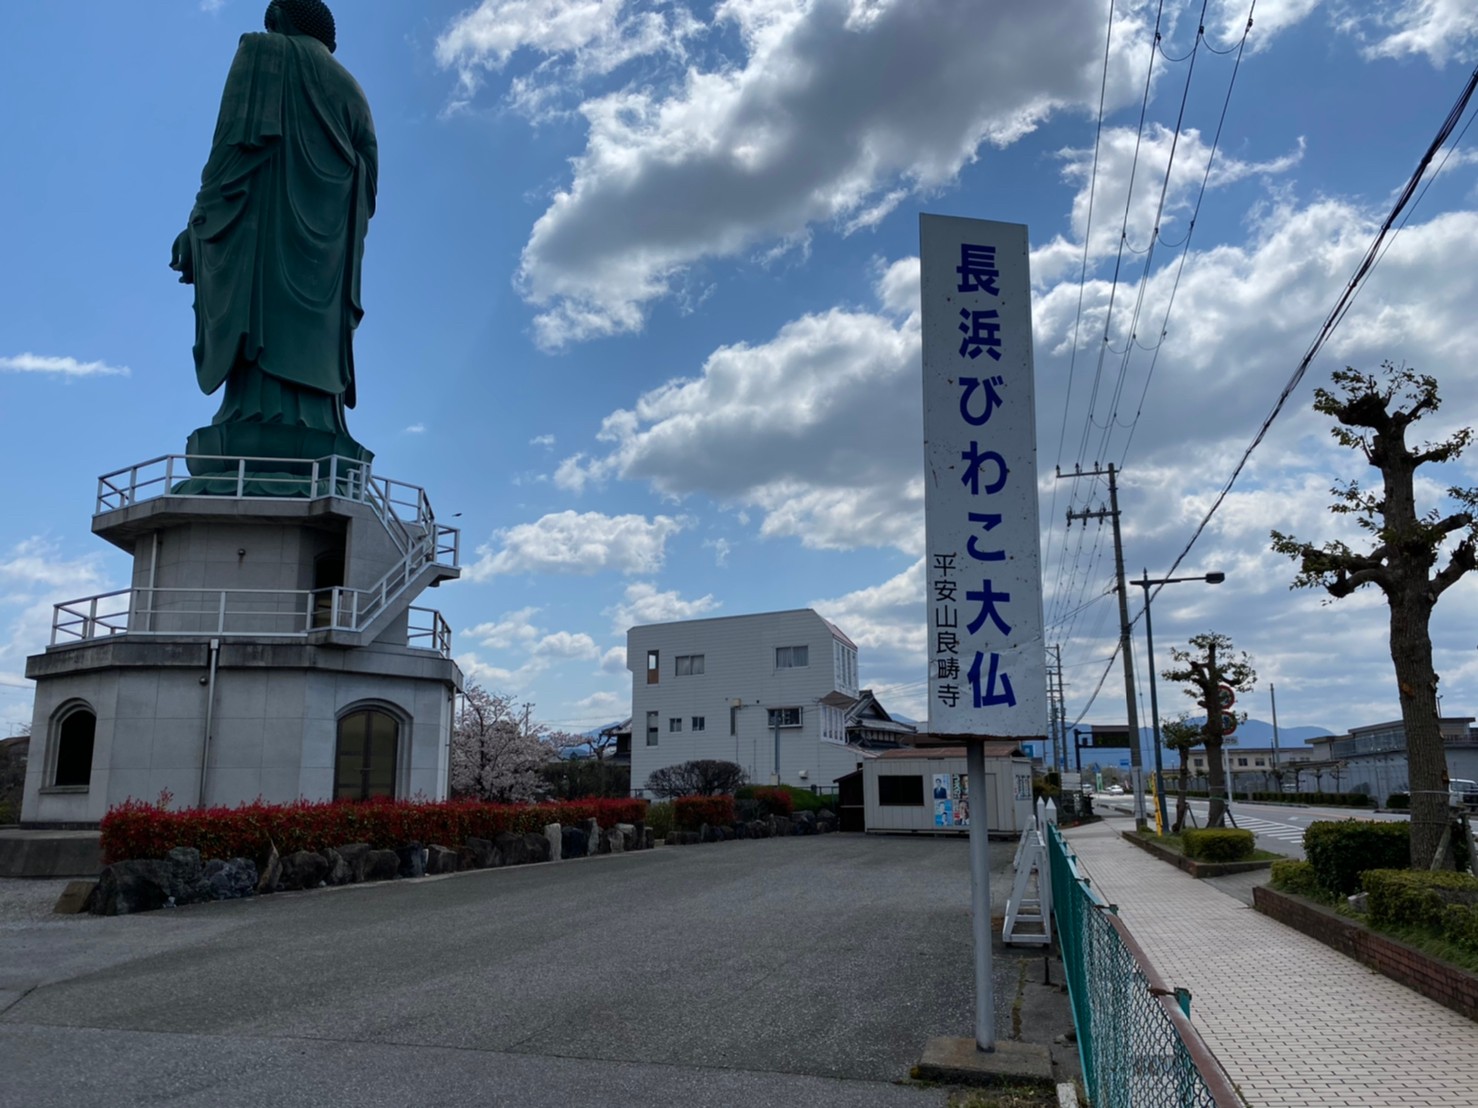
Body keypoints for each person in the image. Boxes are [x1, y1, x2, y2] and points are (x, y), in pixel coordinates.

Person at [172, 0, 376, 476]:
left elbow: (232, 145)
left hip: (264, 229)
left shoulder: (263, 52)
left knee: (262, 331)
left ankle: (255, 416)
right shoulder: (352, 89)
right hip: (329, 253)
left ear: (278, 21)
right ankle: (317, 423)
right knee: (307, 339)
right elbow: (367, 183)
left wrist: (200, 219)